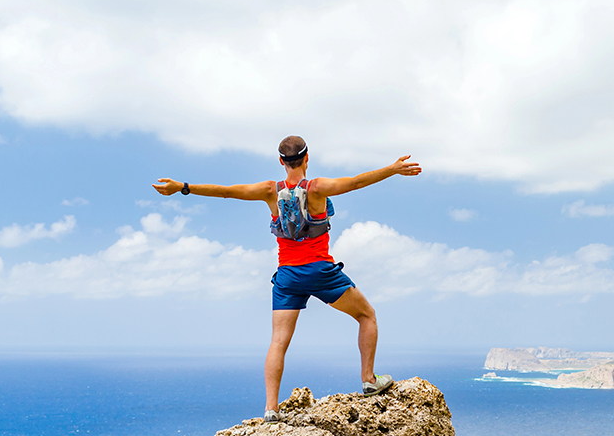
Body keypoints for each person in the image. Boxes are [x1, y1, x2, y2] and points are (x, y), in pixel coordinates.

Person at [152, 135, 421, 421]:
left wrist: (182, 187)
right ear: (307, 158)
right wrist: (392, 169)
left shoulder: (270, 191)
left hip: (287, 275)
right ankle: (368, 380)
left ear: (281, 161)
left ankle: (271, 409)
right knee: (367, 315)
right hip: (319, 270)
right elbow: (356, 182)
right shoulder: (317, 188)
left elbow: (227, 192)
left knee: (278, 341)